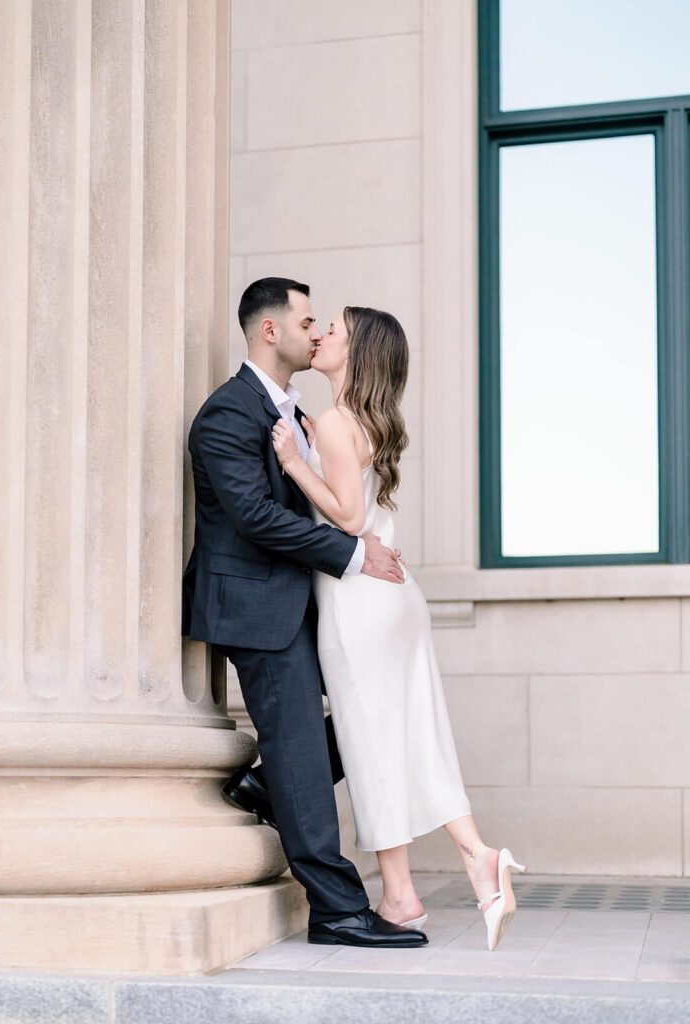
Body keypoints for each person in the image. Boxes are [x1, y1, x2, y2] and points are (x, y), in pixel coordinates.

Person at [270, 305, 525, 952]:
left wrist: (295, 464)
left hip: (359, 601)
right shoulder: (368, 421)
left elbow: (349, 521)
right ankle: (474, 859)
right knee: (416, 734)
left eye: (335, 329)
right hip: (396, 601)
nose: (321, 333)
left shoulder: (333, 421)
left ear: (357, 352)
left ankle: (406, 892)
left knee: (371, 743)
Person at [182, 278, 427, 948]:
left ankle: (265, 786)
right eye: (308, 321)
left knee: (363, 722)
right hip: (256, 606)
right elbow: (256, 518)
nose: (318, 334)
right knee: (298, 747)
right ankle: (339, 910)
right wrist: (352, 553)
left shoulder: (297, 413)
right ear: (270, 331)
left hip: (303, 603)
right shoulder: (228, 414)